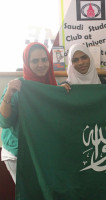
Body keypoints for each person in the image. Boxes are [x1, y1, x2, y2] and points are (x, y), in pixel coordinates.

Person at [0, 42, 57, 183]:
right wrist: (8, 95)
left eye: (44, 60)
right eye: (35, 61)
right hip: (18, 153)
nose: (41, 64)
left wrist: (65, 91)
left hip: (40, 152)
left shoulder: (53, 87)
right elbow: (4, 122)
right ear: (27, 62)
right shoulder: (18, 86)